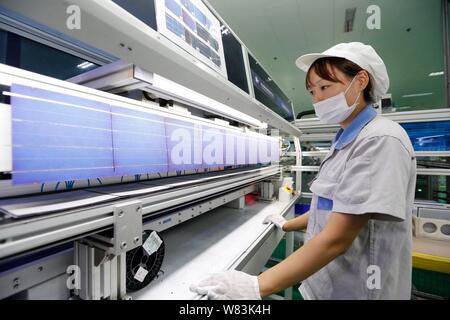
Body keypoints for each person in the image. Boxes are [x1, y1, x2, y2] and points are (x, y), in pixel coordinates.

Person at [189, 42, 417, 300]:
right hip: (326, 283)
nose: (317, 99)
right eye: (311, 91)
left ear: (361, 81)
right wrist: (287, 225)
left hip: (359, 290)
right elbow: (332, 207)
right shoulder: (344, 140)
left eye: (324, 87)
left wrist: (257, 286)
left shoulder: (380, 140)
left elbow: (337, 238)